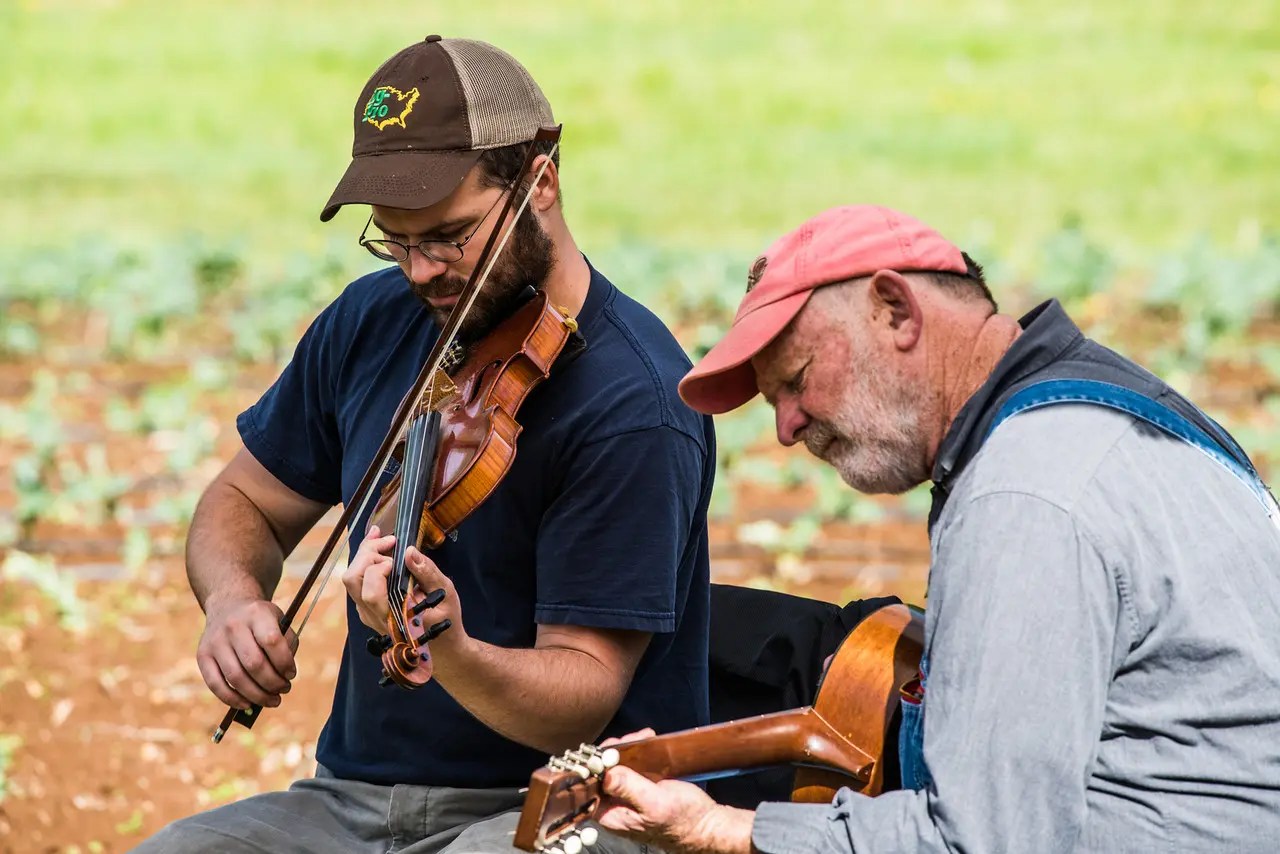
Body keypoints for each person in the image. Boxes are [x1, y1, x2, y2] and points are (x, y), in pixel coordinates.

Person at [134, 35, 715, 854]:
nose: (419, 272)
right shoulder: (369, 321)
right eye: (394, 240)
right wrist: (232, 600)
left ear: (539, 184)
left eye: (449, 237)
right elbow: (243, 503)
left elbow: (584, 689)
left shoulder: (634, 401)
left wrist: (451, 648)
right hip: (352, 802)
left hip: (568, 805)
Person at [593, 205, 1280, 853]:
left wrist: (726, 830)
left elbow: (980, 840)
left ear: (896, 310)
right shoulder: (1101, 412)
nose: (785, 428)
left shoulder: (1027, 491)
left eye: (796, 381)